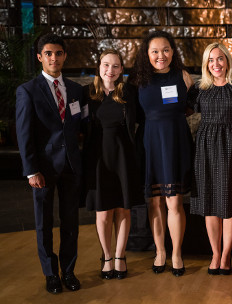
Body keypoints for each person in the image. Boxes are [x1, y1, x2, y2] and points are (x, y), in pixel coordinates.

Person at [16, 33, 83, 294]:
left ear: (65, 56)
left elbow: (80, 125)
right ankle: (50, 274)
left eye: (58, 53)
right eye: (48, 53)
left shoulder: (76, 90)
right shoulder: (27, 90)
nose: (53, 58)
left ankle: (68, 271)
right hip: (42, 169)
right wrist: (31, 170)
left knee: (71, 222)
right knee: (44, 222)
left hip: (71, 166)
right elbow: (24, 133)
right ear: (39, 57)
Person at [129, 30, 194, 277]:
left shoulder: (184, 76)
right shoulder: (137, 80)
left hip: (176, 143)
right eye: (155, 51)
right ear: (147, 54)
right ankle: (160, 252)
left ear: (173, 51)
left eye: (165, 50)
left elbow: (189, 108)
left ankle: (176, 253)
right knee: (154, 202)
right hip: (149, 144)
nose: (160, 56)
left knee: (174, 201)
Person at [187, 43, 232, 275]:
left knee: (229, 203)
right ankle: (214, 253)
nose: (216, 64)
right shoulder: (200, 88)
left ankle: (226, 256)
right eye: (211, 60)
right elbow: (184, 110)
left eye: (220, 59)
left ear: (227, 61)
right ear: (206, 65)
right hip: (205, 148)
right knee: (209, 202)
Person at [82, 49, 143, 280]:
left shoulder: (128, 92)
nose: (110, 70)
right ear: (98, 67)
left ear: (121, 70)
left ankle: (120, 256)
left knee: (122, 208)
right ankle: (106, 256)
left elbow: (141, 121)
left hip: (123, 157)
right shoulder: (87, 93)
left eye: (116, 66)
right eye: (106, 65)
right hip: (97, 158)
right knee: (103, 211)